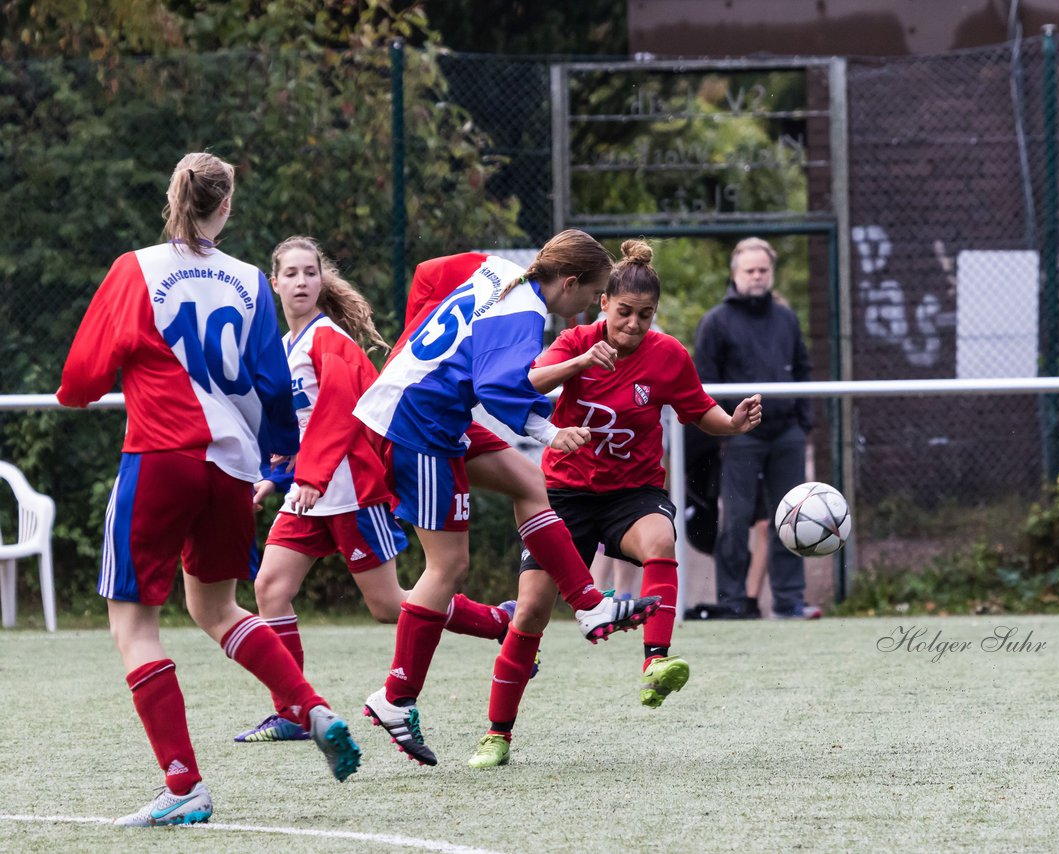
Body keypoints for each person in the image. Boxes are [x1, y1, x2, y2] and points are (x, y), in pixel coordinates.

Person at [56, 153, 361, 827]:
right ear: (226, 208)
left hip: (161, 456)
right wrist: (279, 453)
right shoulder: (251, 279)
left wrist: (81, 390)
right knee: (217, 609)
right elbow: (273, 384)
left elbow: (79, 381)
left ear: (173, 199)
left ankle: (183, 783)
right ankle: (310, 706)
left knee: (133, 624)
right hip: (231, 469)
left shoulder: (136, 268)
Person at [353, 230, 661, 767]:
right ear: (568, 282)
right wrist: (549, 432)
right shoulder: (523, 316)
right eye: (589, 297)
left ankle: (589, 606)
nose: (586, 308)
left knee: (528, 484)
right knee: (447, 567)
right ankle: (396, 697)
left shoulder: (496, 268)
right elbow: (497, 387)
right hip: (415, 425)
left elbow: (428, 270)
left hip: (432, 410)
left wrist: (416, 347)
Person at [466, 239, 763, 769]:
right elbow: (525, 382)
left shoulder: (668, 355)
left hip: (633, 493)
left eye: (645, 315)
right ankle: (496, 734)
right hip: (565, 494)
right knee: (532, 609)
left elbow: (700, 412)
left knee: (660, 540)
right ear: (602, 303)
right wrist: (580, 361)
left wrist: (732, 423)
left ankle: (656, 663)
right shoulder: (574, 340)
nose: (633, 324)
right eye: (624, 312)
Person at [233, 236, 517, 744]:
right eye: (290, 273)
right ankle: (294, 711)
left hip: (352, 493)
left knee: (390, 607)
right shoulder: (282, 349)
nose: (300, 281)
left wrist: (310, 479)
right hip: (309, 495)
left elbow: (338, 414)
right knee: (270, 587)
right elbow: (294, 430)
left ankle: (499, 621)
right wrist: (272, 478)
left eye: (309, 272)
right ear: (273, 282)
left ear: (322, 281)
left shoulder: (329, 341)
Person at [694, 237, 818, 620]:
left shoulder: (786, 318)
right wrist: (722, 429)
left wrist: (803, 421)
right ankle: (733, 602)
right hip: (740, 437)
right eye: (750, 270)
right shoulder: (716, 322)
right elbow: (703, 384)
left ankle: (789, 601)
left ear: (771, 272)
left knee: (792, 519)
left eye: (763, 269)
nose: (757, 276)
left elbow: (802, 369)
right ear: (736, 274)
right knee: (734, 520)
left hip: (786, 434)